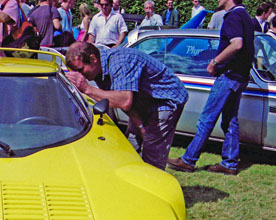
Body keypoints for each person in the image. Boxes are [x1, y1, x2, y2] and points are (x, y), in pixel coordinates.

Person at [65, 42, 188, 170]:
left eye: (80, 70)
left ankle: (152, 183)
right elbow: (124, 104)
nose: (80, 75)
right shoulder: (98, 70)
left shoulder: (121, 62)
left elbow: (124, 100)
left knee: (152, 153)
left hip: (165, 100)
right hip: (142, 101)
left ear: (93, 59)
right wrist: (140, 126)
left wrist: (87, 89)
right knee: (130, 147)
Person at [168, 0, 254, 175]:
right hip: (240, 76)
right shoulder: (245, 15)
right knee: (230, 120)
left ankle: (188, 160)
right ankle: (229, 163)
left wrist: (215, 62)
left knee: (207, 119)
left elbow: (237, 44)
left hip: (228, 76)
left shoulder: (233, 16)